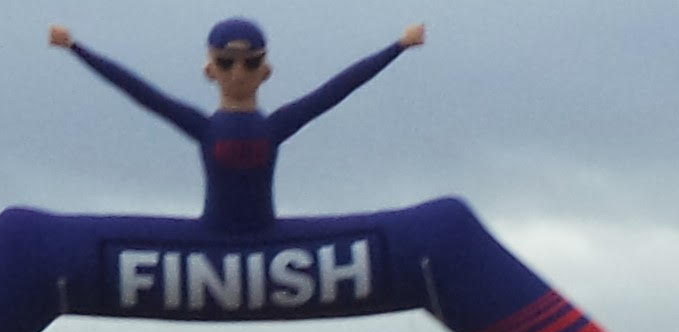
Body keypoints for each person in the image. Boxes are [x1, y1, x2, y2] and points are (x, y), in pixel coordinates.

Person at [50, 18, 425, 235]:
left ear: (266, 70)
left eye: (249, 62)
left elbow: (338, 89)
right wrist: (76, 48)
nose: (239, 72)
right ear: (210, 70)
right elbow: (138, 90)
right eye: (227, 63)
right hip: (215, 234)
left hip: (266, 235)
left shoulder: (273, 125)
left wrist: (397, 47)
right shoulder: (206, 126)